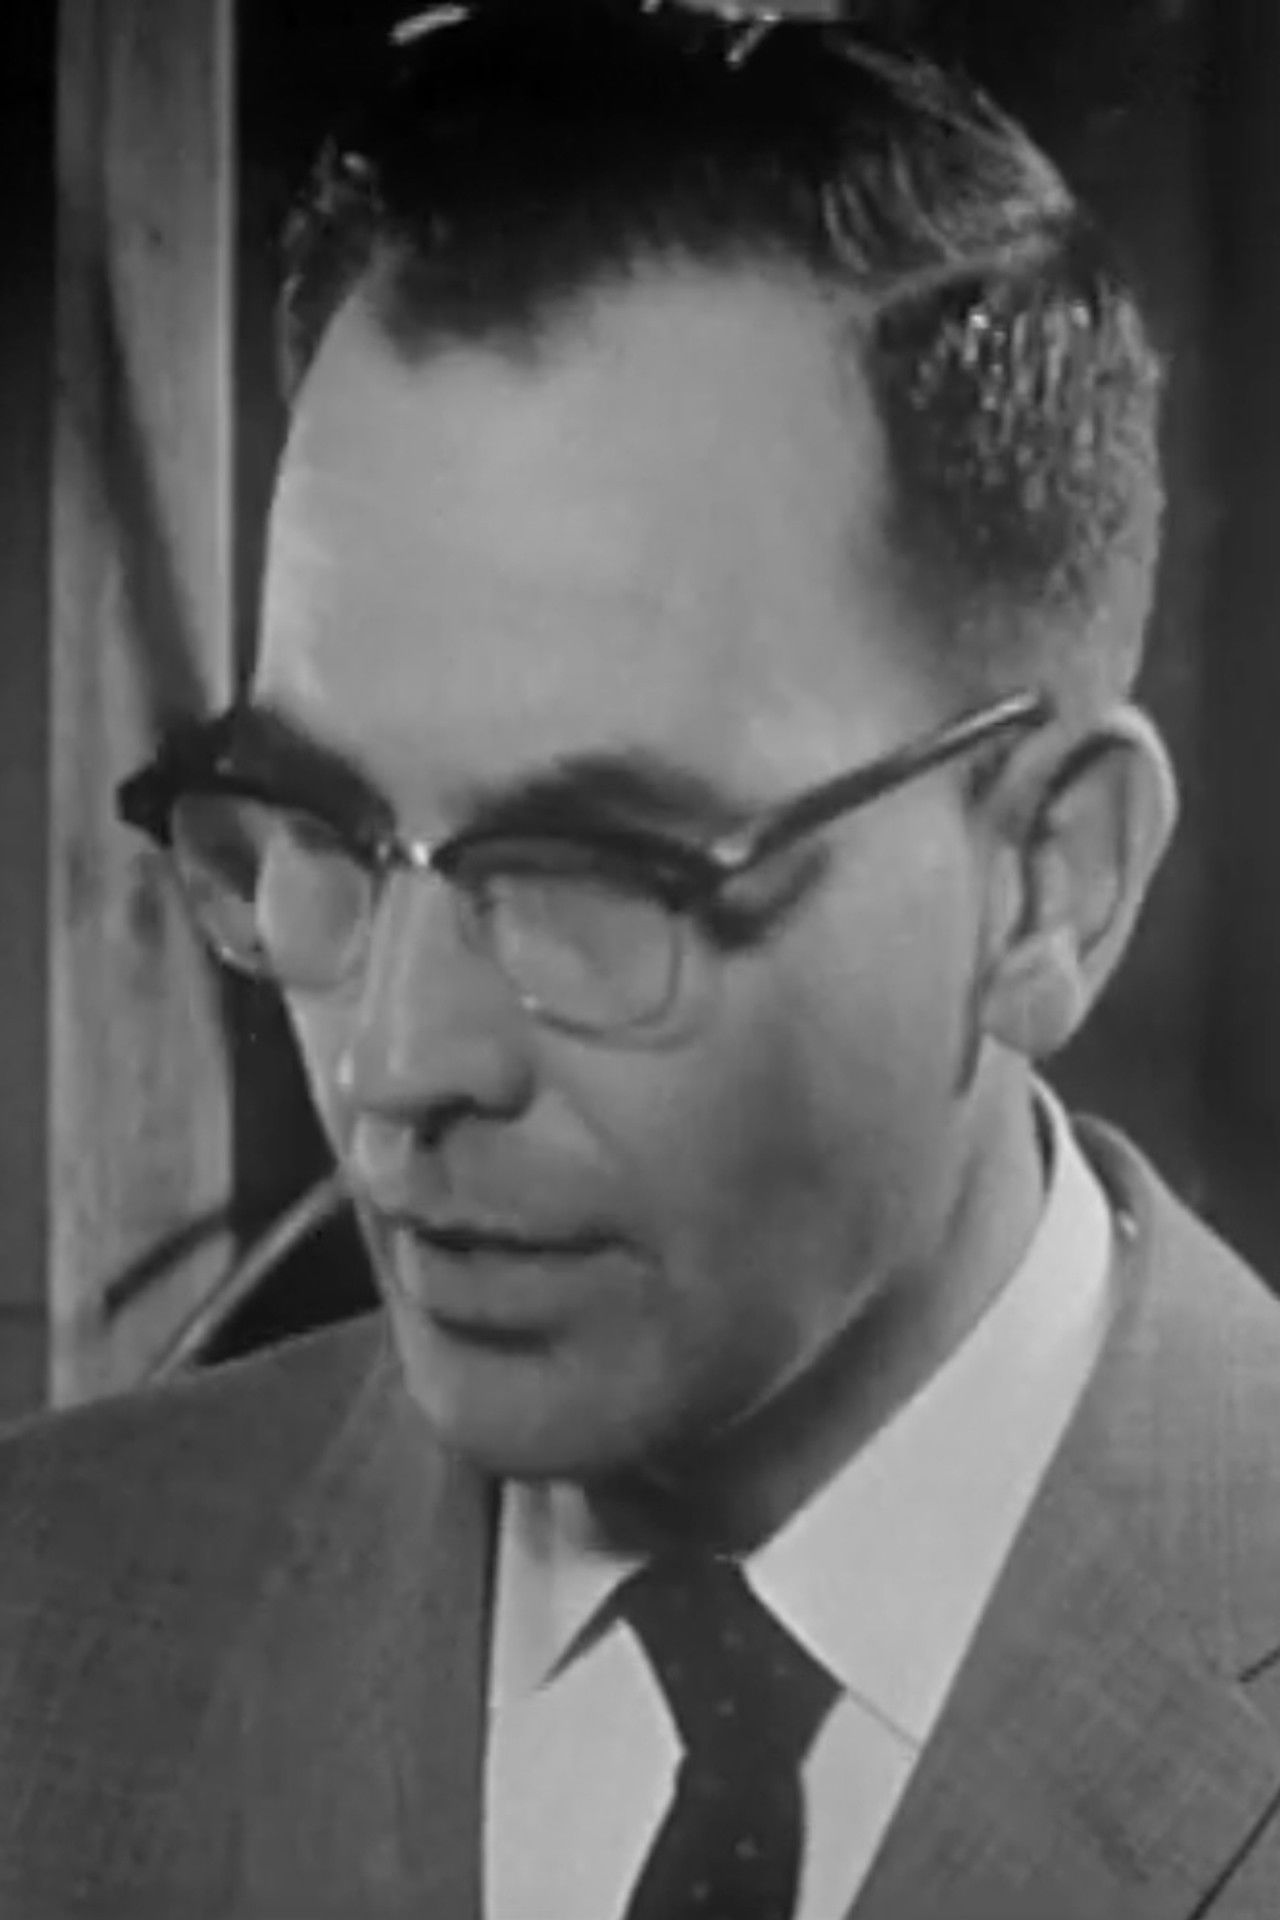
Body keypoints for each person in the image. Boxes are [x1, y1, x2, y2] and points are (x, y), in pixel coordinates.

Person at [3, 2, 1279, 1915]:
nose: (394, 1064)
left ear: (1048, 884)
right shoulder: (39, 1623)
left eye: (600, 868)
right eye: (321, 828)